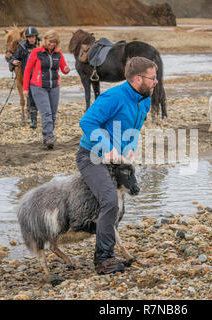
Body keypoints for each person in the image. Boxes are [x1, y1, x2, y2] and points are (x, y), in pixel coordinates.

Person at [76, 57, 158, 275]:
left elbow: (135, 129)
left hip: (119, 159)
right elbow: (87, 122)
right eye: (152, 78)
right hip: (91, 156)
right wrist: (107, 146)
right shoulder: (113, 96)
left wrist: (130, 147)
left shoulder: (145, 99)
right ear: (138, 78)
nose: (156, 82)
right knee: (110, 200)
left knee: (121, 204)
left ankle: (112, 247)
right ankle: (103, 260)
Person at [23, 29, 70, 149]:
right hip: (38, 86)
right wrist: (25, 89)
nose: (52, 44)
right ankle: (49, 136)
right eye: (50, 41)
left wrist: (66, 69)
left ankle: (47, 136)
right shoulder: (36, 52)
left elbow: (63, 67)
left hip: (54, 86)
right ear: (45, 40)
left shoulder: (58, 53)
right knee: (47, 113)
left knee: (53, 115)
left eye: (54, 42)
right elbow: (27, 70)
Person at [9, 26, 40, 129]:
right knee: (29, 96)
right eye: (29, 37)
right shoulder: (22, 48)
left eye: (33, 37)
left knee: (36, 97)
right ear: (26, 38)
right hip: (27, 75)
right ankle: (31, 118)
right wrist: (13, 61)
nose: (31, 39)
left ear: (36, 37)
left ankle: (36, 116)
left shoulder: (40, 46)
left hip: (38, 75)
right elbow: (14, 57)